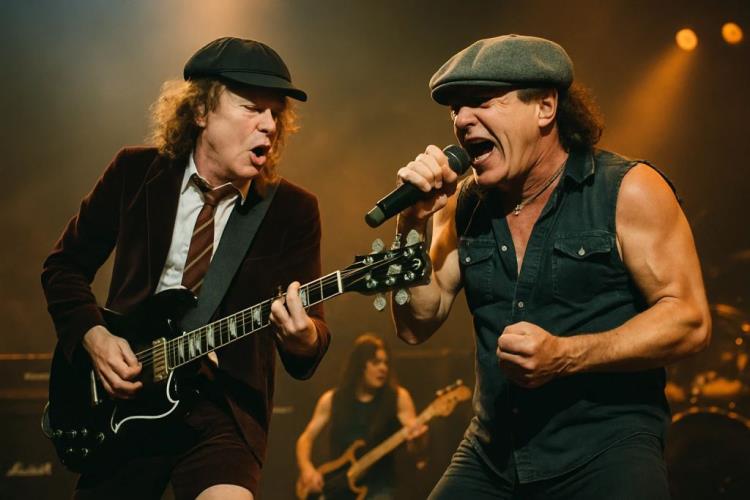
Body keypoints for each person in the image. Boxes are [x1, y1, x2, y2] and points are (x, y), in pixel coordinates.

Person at [390, 34, 711, 499]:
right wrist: (411, 223)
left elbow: (690, 320)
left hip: (606, 449)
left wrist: (567, 354)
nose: (462, 120)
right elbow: (415, 324)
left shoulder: (628, 189)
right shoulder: (462, 206)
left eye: (482, 101)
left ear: (544, 107)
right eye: (456, 108)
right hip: (494, 452)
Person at [41, 37, 330, 500]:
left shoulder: (292, 211)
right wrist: (94, 337)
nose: (269, 125)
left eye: (275, 112)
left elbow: (311, 339)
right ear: (200, 111)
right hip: (127, 399)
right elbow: (63, 267)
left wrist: (304, 337)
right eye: (251, 108)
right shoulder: (134, 173)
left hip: (223, 411)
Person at [296, 333, 427, 499]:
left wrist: (419, 440)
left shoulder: (399, 398)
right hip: (337, 486)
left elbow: (416, 451)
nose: (383, 368)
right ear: (359, 366)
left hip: (380, 488)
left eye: (386, 363)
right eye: (376, 362)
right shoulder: (331, 399)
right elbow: (306, 438)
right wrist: (307, 468)